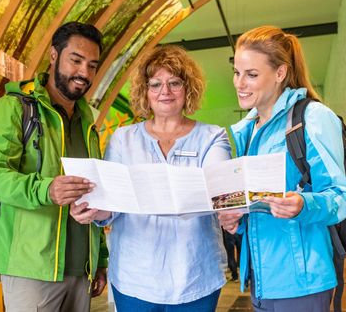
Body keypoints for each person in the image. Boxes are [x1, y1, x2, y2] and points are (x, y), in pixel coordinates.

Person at [71, 45, 230, 311]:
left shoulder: (212, 136)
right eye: (155, 84)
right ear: (145, 92)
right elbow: (111, 205)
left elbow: (216, 190)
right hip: (136, 278)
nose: (164, 92)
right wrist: (94, 210)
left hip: (196, 273)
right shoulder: (123, 139)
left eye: (174, 83)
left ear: (188, 88)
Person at [218, 26, 346, 311]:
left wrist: (303, 204)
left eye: (251, 74)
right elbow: (258, 204)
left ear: (280, 73)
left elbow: (341, 196)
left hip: (301, 282)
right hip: (261, 281)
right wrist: (236, 220)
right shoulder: (250, 132)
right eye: (237, 72)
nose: (240, 83)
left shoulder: (312, 117)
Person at [0, 22, 108, 312]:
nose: (84, 73)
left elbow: (95, 195)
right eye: (76, 60)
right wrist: (45, 189)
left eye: (92, 65)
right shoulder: (12, 109)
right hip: (30, 269)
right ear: (53, 55)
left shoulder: (88, 124)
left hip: (79, 270)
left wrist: (99, 261)